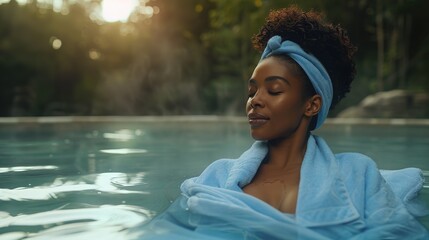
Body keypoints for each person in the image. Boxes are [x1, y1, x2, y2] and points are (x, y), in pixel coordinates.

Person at [139, 6, 428, 239]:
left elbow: (397, 232)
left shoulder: (357, 173)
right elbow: (165, 231)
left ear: (311, 104)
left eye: (274, 90)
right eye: (252, 91)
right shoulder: (218, 176)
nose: (255, 100)